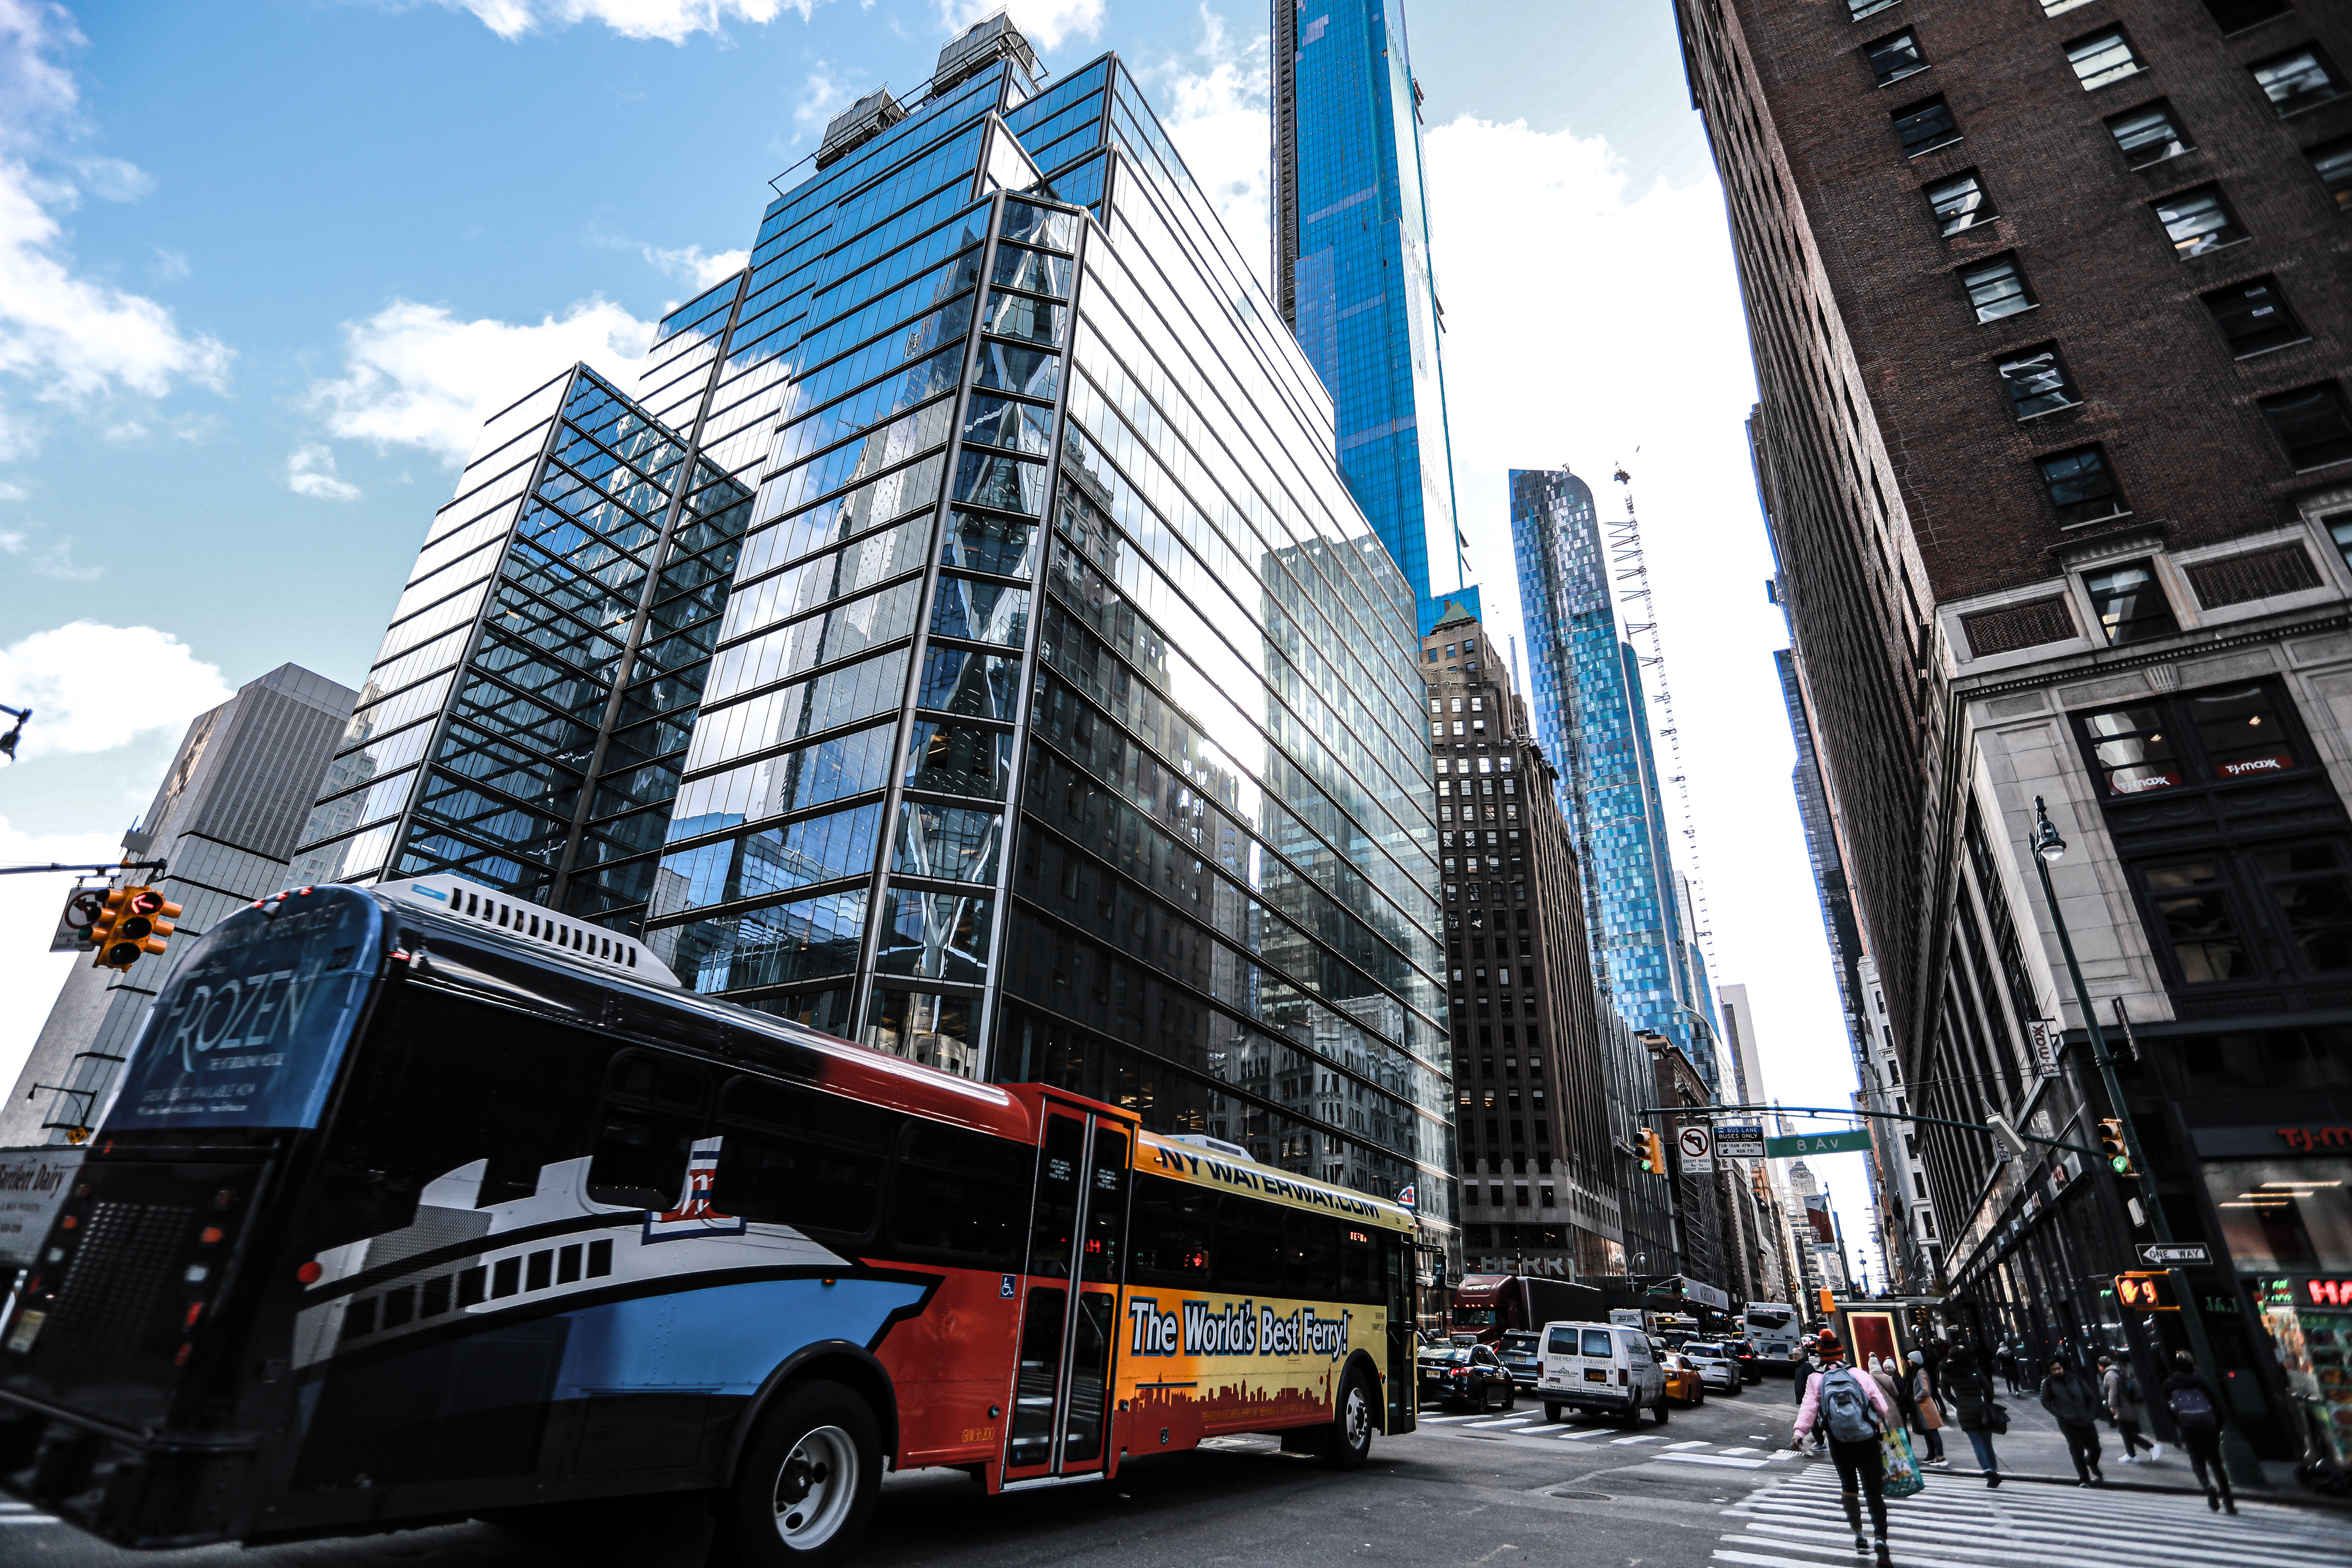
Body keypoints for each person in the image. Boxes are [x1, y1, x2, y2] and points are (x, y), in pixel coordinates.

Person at [1792, 1332, 1897, 1567]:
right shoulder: (1858, 1374)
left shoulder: (1816, 1379)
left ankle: (1859, 1536)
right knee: (1873, 1492)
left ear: (1820, 1354)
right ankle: (1881, 1540)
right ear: (1841, 1352)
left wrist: (1799, 1433)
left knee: (1849, 1489)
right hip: (1867, 1440)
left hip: (1839, 1443)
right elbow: (1881, 1407)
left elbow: (1809, 1408)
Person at [2163, 1351, 2235, 1514]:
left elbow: (2169, 1411)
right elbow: (2215, 1406)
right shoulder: (2199, 1382)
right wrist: (2217, 1426)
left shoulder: (2168, 1384)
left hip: (2189, 1429)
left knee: (2197, 1462)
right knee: (2216, 1464)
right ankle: (2228, 1501)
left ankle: (2207, 1486)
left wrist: (2181, 1424)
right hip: (2208, 1427)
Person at [2040, 1357, 2105, 1485]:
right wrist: (2060, 1414)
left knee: (2096, 1449)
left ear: (2063, 1368)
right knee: (2077, 1449)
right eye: (2053, 1370)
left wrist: (2090, 1415)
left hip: (2086, 1419)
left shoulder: (2076, 1380)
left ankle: (2091, 1462)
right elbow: (2044, 1400)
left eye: (2058, 1368)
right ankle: (2084, 1478)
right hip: (2068, 1422)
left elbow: (2091, 1398)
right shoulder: (2048, 1383)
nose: (2057, 1371)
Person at [1942, 1349, 2002, 1487]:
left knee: (1977, 1443)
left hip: (1964, 1411)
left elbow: (1945, 1393)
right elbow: (1988, 1389)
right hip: (1981, 1408)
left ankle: (1987, 1470)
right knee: (1987, 1443)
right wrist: (1988, 1403)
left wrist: (1957, 1404)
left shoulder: (1947, 1372)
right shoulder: (1973, 1369)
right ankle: (1994, 1470)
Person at [2100, 1354, 2158, 1464]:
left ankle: (2151, 1447)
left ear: (2103, 1366)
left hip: (2122, 1407)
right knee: (2125, 1431)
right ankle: (2131, 1454)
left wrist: (2112, 1406)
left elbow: (2113, 1391)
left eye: (2099, 1366)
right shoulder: (2117, 1372)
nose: (2099, 1368)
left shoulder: (2110, 1375)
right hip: (2126, 1405)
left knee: (2127, 1432)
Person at [1909, 1349, 1948, 1467]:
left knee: (1933, 1431)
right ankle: (1935, 1455)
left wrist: (1916, 1398)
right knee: (1931, 1432)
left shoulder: (1920, 1373)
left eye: (1910, 1359)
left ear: (1915, 1361)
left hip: (1926, 1407)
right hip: (1925, 1406)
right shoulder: (1919, 1372)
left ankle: (1940, 1456)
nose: (1909, 1361)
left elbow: (1925, 1390)